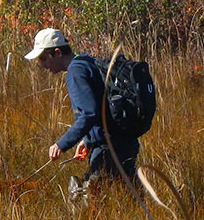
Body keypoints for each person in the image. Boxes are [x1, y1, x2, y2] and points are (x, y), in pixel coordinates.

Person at [24, 28, 139, 193]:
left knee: (97, 205)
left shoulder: (75, 72)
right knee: (128, 197)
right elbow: (102, 106)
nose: (41, 65)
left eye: (43, 58)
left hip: (109, 148)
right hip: (124, 142)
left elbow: (88, 114)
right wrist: (87, 139)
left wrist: (61, 145)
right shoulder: (87, 62)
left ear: (57, 52)